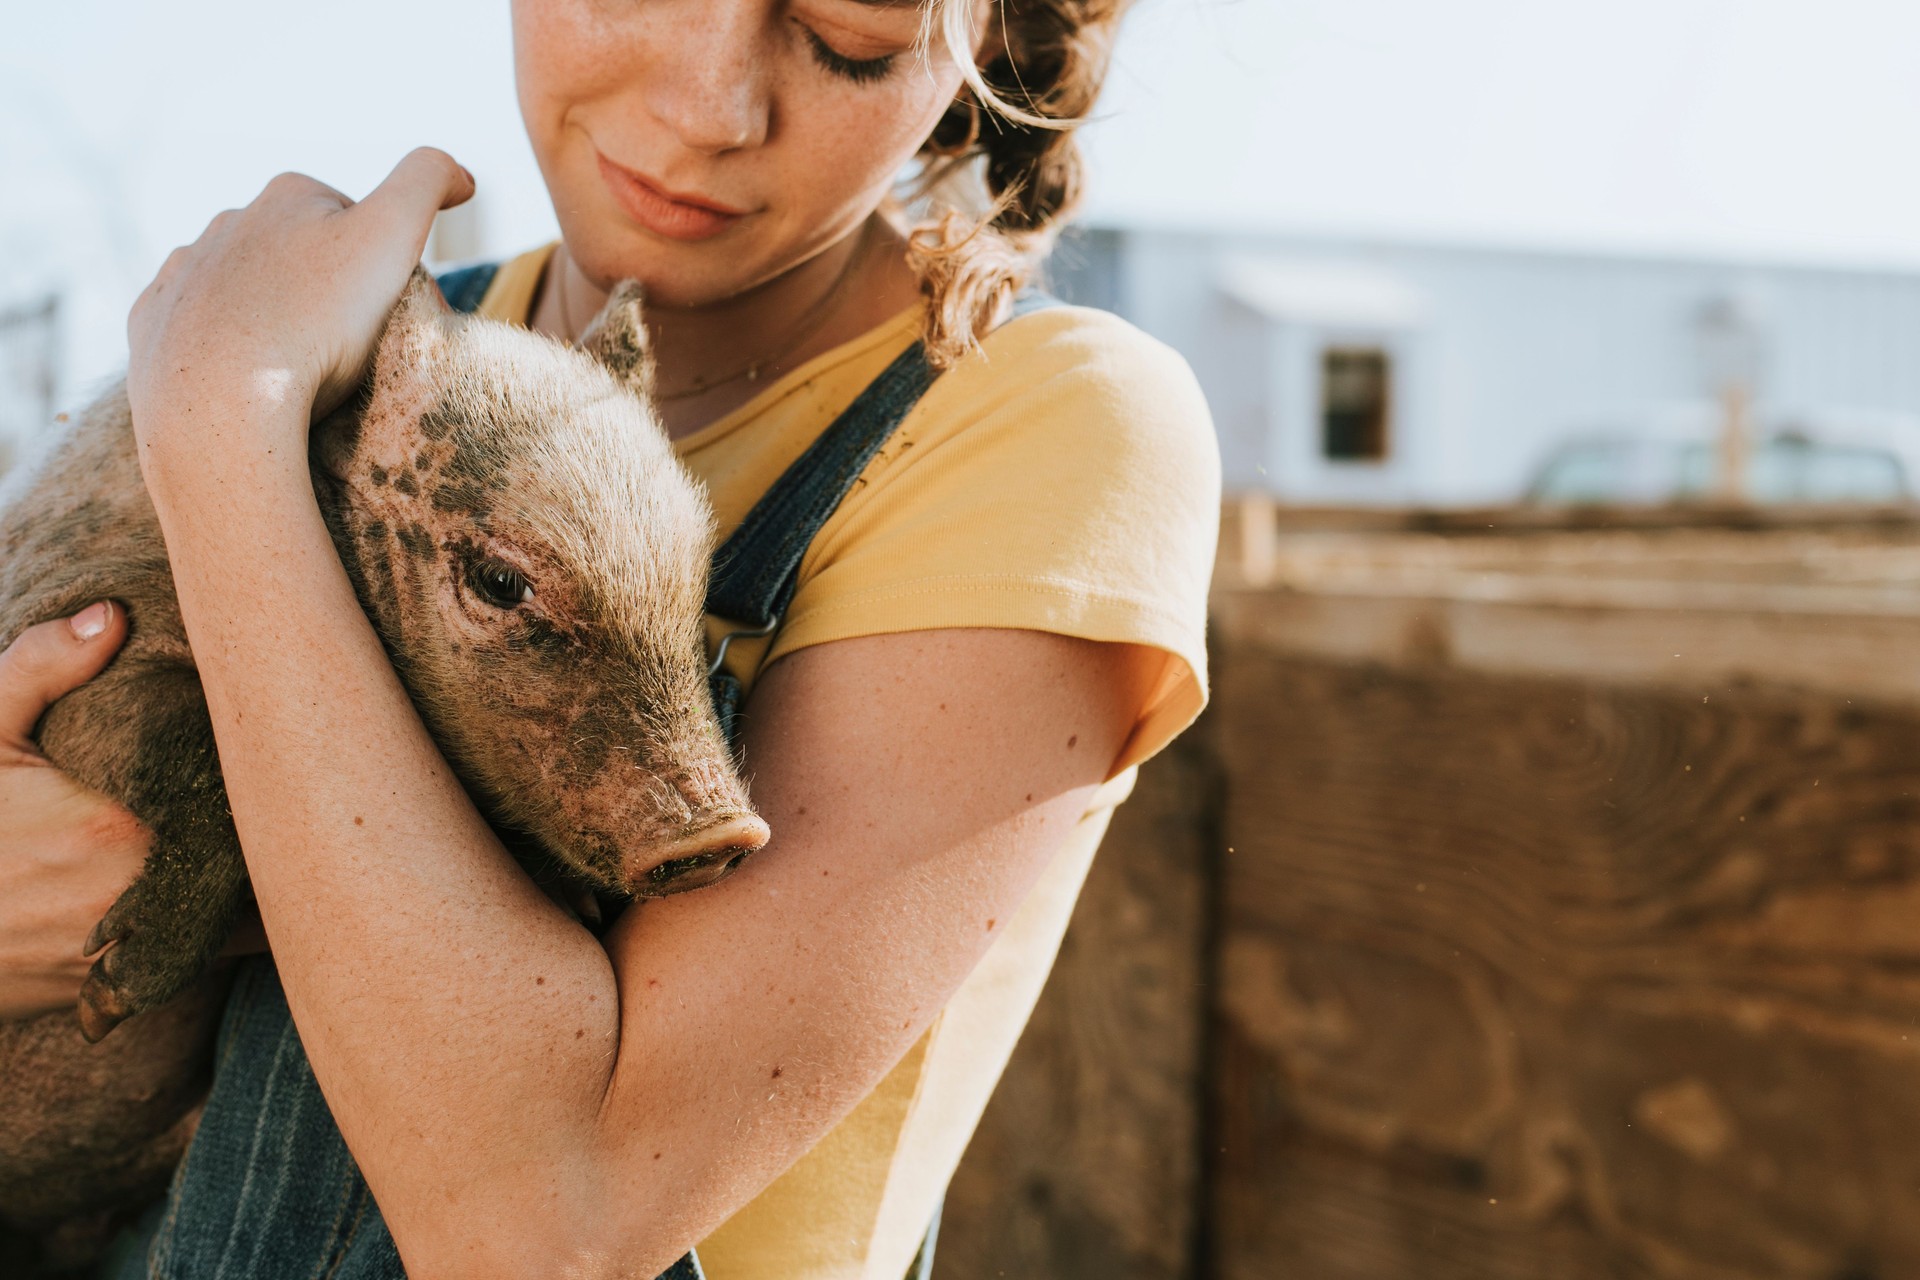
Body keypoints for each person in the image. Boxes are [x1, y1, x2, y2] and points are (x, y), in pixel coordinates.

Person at [1, 0, 1219, 1275]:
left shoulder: (1046, 423)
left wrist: (223, 426)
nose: (707, 110)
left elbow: (539, 1228)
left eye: (847, 34)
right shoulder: (362, 349)